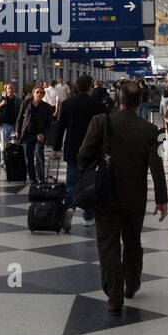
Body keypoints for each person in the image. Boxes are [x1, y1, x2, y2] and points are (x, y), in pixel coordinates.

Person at [78, 80, 168, 314]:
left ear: (119, 99)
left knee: (108, 245)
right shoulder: (150, 130)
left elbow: (83, 155)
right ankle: (132, 283)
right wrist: (162, 199)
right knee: (132, 241)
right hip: (135, 195)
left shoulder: (100, 122)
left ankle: (114, 296)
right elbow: (157, 165)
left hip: (105, 195)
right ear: (140, 102)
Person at [51, 75, 101, 231]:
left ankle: (70, 208)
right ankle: (88, 216)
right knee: (90, 183)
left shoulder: (67, 105)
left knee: (72, 183)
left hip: (72, 149)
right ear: (91, 86)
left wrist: (55, 148)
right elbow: (101, 129)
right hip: (91, 150)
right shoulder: (96, 105)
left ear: (76, 87)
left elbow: (61, 128)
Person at [15, 84, 54, 184]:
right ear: (33, 93)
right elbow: (20, 118)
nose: (39, 94)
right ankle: (32, 178)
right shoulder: (26, 103)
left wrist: (43, 134)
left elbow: (49, 124)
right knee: (29, 157)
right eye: (37, 92)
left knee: (39, 154)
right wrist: (17, 131)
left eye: (41, 93)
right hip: (27, 134)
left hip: (39, 135)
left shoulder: (47, 107)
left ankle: (41, 177)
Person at [0, 82, 18, 151]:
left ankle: (11, 160)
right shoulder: (1, 98)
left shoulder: (17, 100)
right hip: (4, 124)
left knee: (13, 143)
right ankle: (4, 160)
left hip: (14, 125)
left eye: (12, 88)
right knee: (4, 144)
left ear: (14, 89)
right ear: (6, 90)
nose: (10, 90)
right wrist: (1, 104)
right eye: (9, 88)